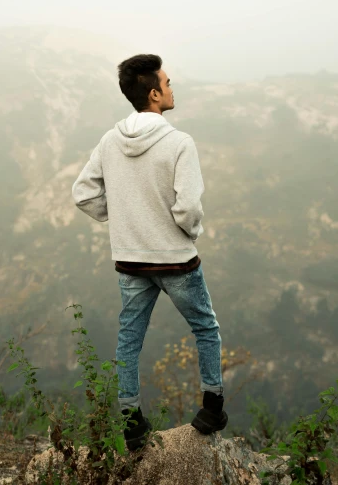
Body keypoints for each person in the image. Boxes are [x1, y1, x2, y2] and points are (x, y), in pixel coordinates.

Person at [72, 53, 228, 450]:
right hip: (176, 259)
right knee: (205, 328)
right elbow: (188, 208)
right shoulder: (179, 143)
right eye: (169, 83)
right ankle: (211, 408)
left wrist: (125, 219)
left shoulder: (110, 140)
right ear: (155, 94)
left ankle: (131, 422)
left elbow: (83, 194)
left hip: (130, 259)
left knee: (129, 338)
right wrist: (188, 232)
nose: (173, 88)